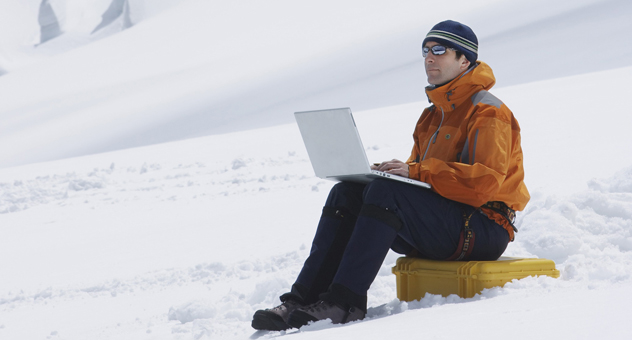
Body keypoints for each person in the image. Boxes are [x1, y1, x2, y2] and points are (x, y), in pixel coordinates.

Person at [251, 20, 530, 331]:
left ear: (464, 60)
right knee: (347, 194)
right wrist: (389, 174)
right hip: (449, 222)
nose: (429, 58)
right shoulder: (431, 116)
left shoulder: (487, 112)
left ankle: (345, 302)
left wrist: (412, 173)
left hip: (484, 226)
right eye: (425, 51)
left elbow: (483, 184)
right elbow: (423, 182)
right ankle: (301, 301)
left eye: (439, 50)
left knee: (388, 194)